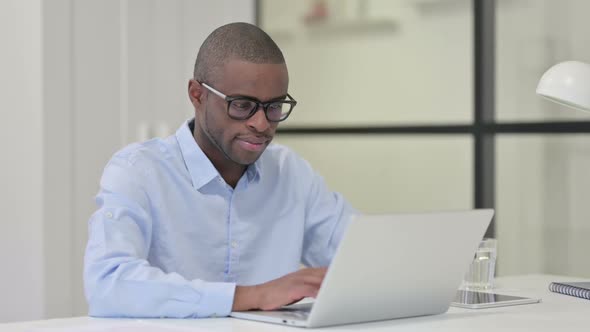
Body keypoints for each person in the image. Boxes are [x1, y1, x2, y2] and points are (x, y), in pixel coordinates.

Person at [84, 22, 355, 318]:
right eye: (242, 105)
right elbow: (107, 283)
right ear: (197, 95)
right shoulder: (139, 171)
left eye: (274, 107)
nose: (262, 124)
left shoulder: (291, 173)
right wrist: (252, 295)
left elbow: (362, 260)